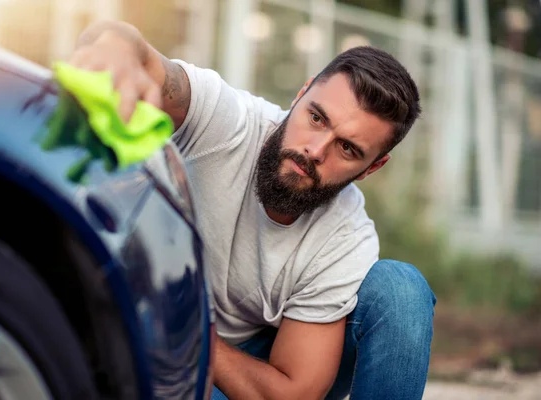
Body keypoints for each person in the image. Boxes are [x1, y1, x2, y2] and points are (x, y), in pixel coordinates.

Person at [69, 19, 437, 400]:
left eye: (347, 149)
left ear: (372, 167)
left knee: (401, 290)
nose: (315, 149)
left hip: (235, 373)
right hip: (146, 342)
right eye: (316, 117)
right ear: (301, 93)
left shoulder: (346, 240)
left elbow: (291, 393)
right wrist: (116, 47)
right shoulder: (227, 124)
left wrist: (191, 333)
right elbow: (144, 59)